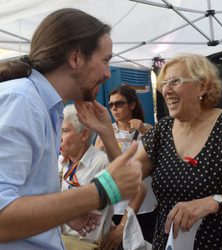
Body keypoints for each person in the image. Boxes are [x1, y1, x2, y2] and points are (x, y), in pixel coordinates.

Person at [0, 8, 142, 250]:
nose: (108, 73)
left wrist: (64, 212)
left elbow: (23, 193)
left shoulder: (45, 106)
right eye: (105, 60)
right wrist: (101, 190)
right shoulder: (23, 101)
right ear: (76, 58)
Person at [75, 53, 222, 250]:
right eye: (164, 83)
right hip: (168, 243)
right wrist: (107, 132)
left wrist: (213, 202)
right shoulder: (163, 130)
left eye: (175, 81)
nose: (166, 90)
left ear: (202, 86)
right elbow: (127, 173)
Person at [95, 85, 157, 245]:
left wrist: (143, 131)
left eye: (119, 103)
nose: (114, 109)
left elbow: (158, 160)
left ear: (132, 104)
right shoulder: (106, 133)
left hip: (145, 203)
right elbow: (96, 168)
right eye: (111, 105)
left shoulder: (148, 129)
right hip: (116, 205)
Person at [59, 104, 110, 246]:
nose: (59, 136)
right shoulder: (58, 162)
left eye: (64, 131)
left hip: (88, 245)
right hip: (61, 242)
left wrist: (122, 227)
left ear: (85, 134)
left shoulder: (102, 163)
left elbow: (135, 192)